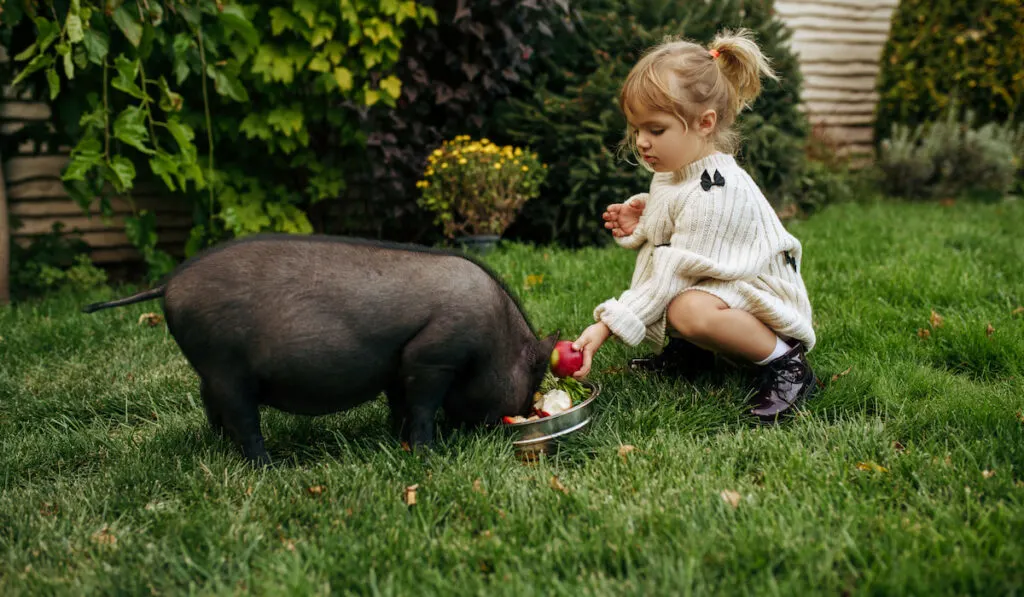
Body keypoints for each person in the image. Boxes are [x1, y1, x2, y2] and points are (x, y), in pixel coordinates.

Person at [570, 28, 818, 422]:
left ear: (704, 123)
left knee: (686, 307)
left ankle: (786, 364)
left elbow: (674, 270)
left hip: (766, 302)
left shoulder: (715, 190)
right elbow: (680, 229)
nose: (641, 143)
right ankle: (693, 354)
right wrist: (646, 217)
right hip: (730, 284)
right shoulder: (680, 171)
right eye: (637, 129)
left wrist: (606, 326)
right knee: (682, 298)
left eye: (656, 129)